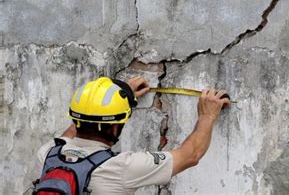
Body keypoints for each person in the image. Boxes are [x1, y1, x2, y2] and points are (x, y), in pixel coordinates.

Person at [36, 76, 230, 194]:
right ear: (114, 127)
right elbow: (191, 155)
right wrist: (208, 115)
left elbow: (73, 130)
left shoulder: (49, 153)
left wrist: (118, 95)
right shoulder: (121, 168)